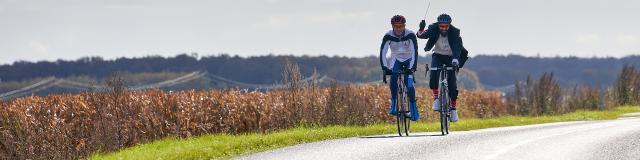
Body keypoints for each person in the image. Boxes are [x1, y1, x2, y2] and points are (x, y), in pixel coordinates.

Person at [417, 13, 462, 122]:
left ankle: (453, 109)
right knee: (433, 75)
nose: (443, 28)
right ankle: (436, 99)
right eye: (441, 26)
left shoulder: (455, 32)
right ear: (438, 25)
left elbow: (457, 47)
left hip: (451, 57)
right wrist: (421, 29)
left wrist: (455, 60)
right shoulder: (433, 28)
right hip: (437, 55)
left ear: (449, 25)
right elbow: (422, 35)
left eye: (446, 26)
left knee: (452, 83)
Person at [379, 15, 419, 121]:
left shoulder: (410, 34)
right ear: (392, 26)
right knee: (393, 78)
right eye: (396, 27)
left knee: (409, 85)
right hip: (396, 60)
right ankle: (394, 103)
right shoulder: (388, 36)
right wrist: (385, 67)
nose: (398, 29)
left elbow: (415, 51)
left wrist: (413, 67)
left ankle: (413, 108)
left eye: (400, 26)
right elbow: (383, 52)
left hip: (409, 60)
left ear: (404, 26)